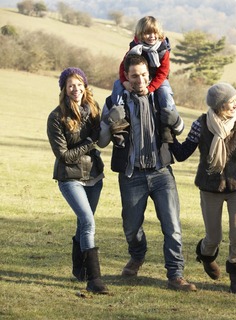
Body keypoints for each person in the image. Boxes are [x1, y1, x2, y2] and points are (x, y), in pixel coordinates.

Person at [97, 54, 194, 292]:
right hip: (132, 175)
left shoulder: (160, 97)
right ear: (126, 78)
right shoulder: (113, 102)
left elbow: (179, 128)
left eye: (143, 75)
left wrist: (175, 118)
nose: (139, 80)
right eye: (134, 76)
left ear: (148, 75)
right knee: (131, 227)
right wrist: (111, 121)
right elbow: (101, 141)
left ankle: (175, 275)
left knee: (172, 226)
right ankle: (137, 255)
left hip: (161, 172)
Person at [169, 82, 236, 295]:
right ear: (219, 106)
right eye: (231, 102)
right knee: (213, 237)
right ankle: (206, 255)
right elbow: (183, 153)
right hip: (210, 187)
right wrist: (168, 137)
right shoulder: (201, 125)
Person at [47, 67, 108, 294]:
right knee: (88, 222)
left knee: (84, 223)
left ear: (85, 86)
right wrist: (90, 141)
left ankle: (79, 269)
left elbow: (103, 139)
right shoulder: (56, 117)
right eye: (71, 85)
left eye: (79, 84)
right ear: (64, 89)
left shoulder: (93, 109)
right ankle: (94, 279)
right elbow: (63, 156)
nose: (76, 89)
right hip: (69, 177)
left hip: (94, 176)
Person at [110, 15, 183, 144]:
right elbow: (123, 66)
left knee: (165, 93)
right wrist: (125, 81)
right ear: (140, 34)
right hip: (139, 78)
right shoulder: (135, 48)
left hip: (158, 79)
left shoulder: (163, 50)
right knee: (117, 85)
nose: (152, 36)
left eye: (154, 33)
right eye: (147, 33)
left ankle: (167, 125)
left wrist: (151, 88)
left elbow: (163, 72)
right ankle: (118, 118)